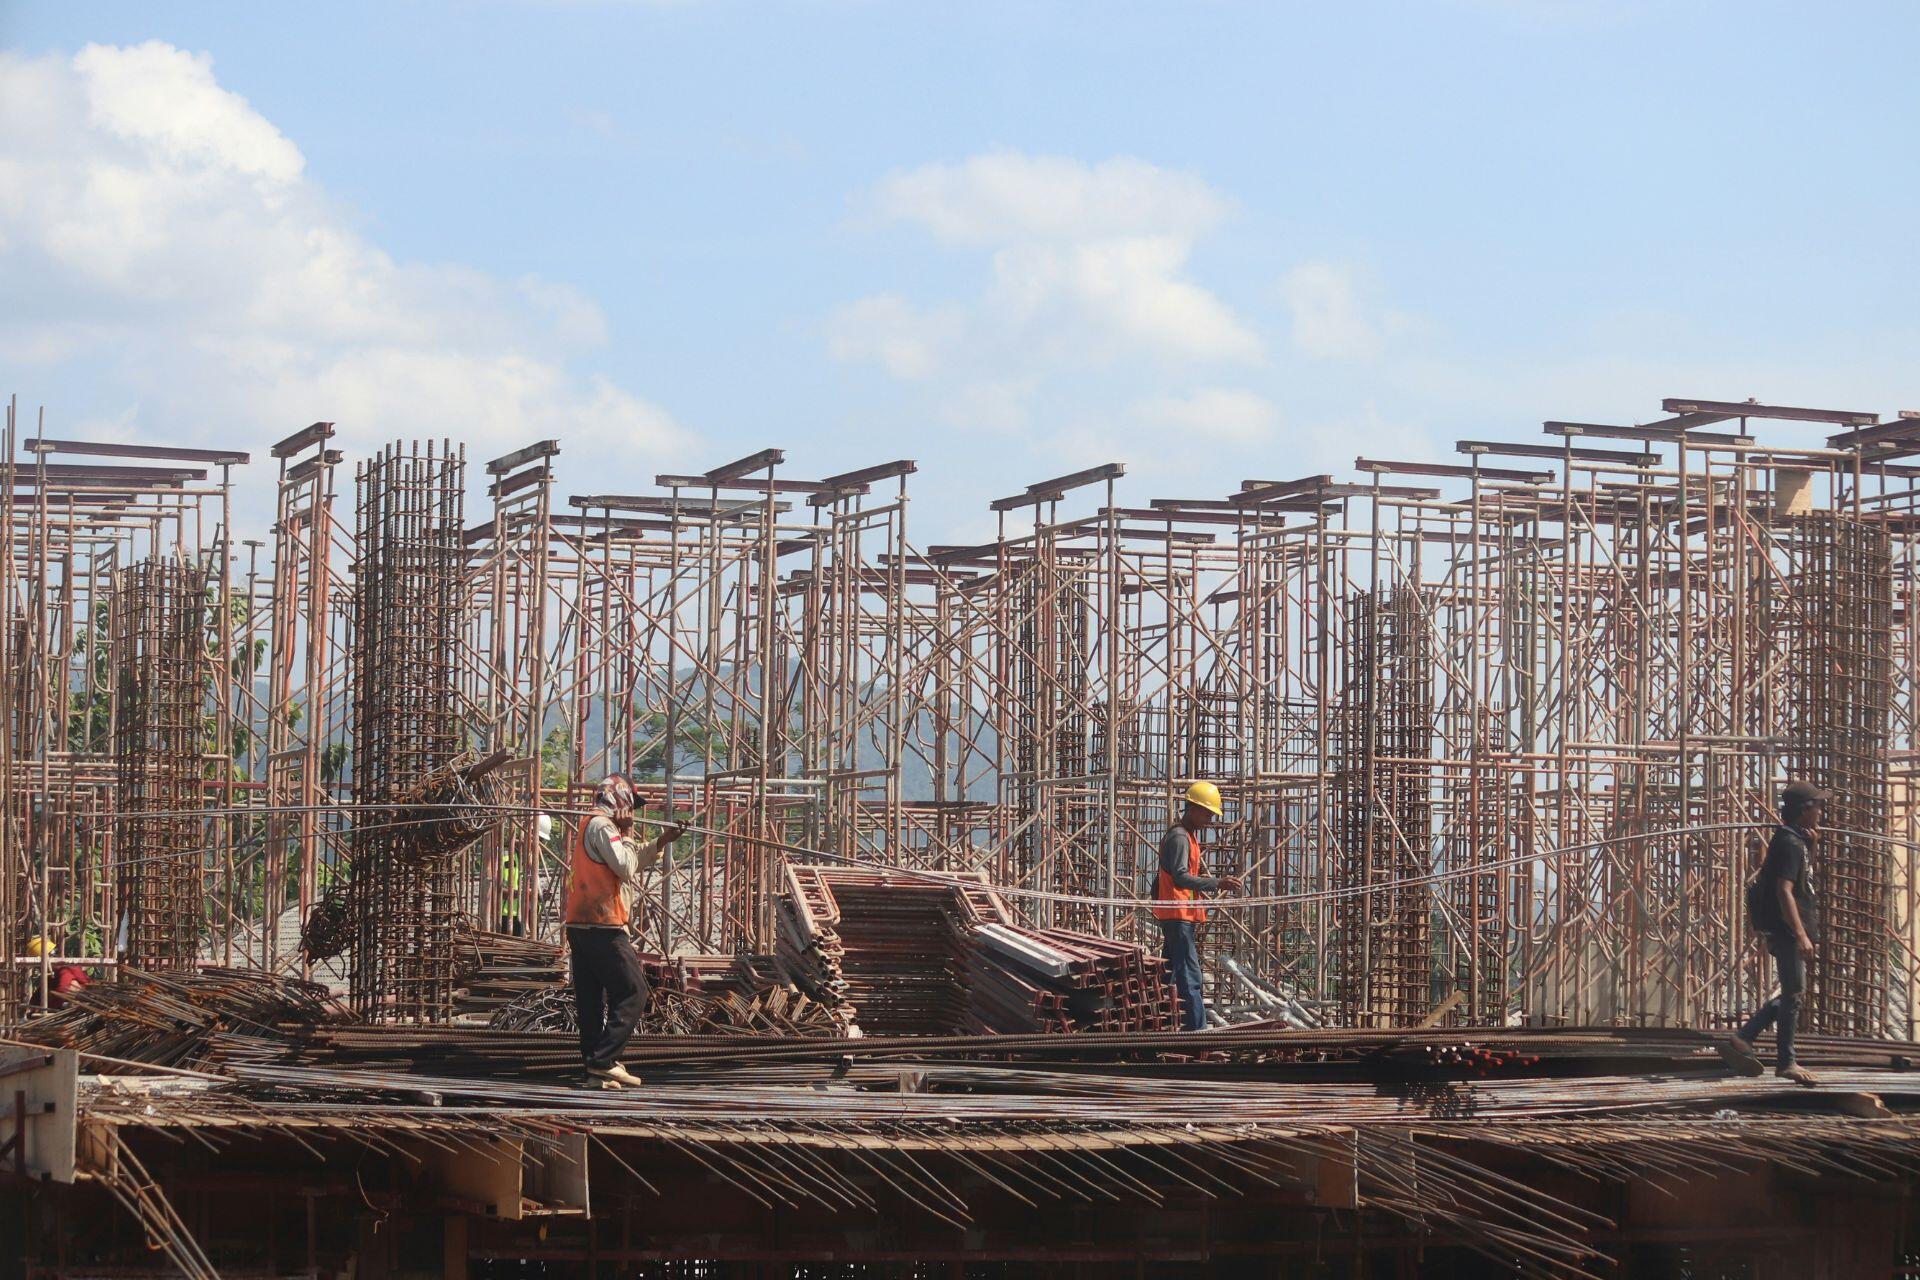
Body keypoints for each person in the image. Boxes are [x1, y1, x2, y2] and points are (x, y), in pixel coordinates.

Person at [564, 775, 684, 1088]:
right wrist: (628, 834)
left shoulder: (593, 825)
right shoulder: (603, 826)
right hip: (603, 925)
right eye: (631, 804)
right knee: (634, 991)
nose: (632, 811)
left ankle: (594, 1070)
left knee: (591, 999)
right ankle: (605, 1060)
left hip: (581, 924)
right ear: (619, 798)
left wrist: (661, 842)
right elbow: (626, 867)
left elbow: (625, 860)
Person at [1721, 781, 1827, 1086]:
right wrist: (1800, 933)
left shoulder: (1796, 840)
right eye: (1818, 806)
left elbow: (1802, 879)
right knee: (1794, 993)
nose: (1821, 811)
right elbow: (1784, 891)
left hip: (1788, 927)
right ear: (1805, 810)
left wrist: (1812, 846)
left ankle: (1745, 1037)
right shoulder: (1789, 843)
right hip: (1787, 929)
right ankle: (1785, 1062)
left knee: (1794, 993)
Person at [1151, 780, 1242, 1031]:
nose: (1209, 820)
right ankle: (1196, 1032)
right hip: (1178, 915)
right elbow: (1180, 877)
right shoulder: (1180, 838)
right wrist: (1216, 883)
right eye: (1207, 813)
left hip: (1177, 914)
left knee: (1169, 973)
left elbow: (1164, 879)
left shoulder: (1186, 837)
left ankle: (1164, 1024)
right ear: (1192, 808)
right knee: (1190, 976)